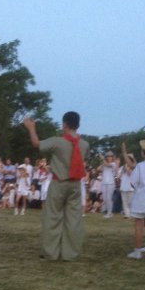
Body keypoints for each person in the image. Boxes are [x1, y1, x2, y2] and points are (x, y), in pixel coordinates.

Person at [23, 112, 89, 261]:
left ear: (64, 124)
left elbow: (37, 144)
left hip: (59, 183)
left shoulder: (57, 142)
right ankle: (70, 253)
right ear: (78, 124)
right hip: (75, 185)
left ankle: (50, 252)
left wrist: (31, 128)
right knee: (74, 219)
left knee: (53, 217)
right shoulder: (85, 144)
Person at [99, 151, 119, 218]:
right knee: (105, 199)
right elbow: (99, 169)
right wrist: (102, 162)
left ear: (112, 157)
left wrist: (102, 159)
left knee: (108, 198)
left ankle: (109, 213)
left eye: (110, 156)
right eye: (108, 156)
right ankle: (108, 211)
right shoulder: (104, 163)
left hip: (111, 183)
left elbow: (108, 165)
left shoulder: (113, 164)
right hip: (104, 183)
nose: (109, 158)